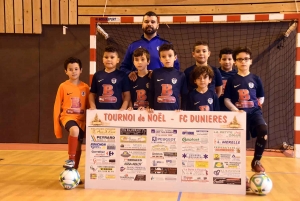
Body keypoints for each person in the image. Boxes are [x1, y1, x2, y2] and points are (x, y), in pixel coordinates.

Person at [223, 47, 267, 189]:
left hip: (254, 112)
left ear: (250, 61)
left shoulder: (256, 79)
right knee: (240, 146)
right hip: (239, 116)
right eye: (240, 59)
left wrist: (258, 105)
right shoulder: (232, 80)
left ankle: (256, 161)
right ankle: (243, 176)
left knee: (263, 131)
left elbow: (261, 96)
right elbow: (226, 99)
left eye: (246, 59)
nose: (243, 62)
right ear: (235, 62)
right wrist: (236, 110)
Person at [120, 11, 179, 81]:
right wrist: (129, 73)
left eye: (153, 22)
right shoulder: (133, 46)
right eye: (146, 21)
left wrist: (159, 74)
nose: (149, 24)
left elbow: (175, 68)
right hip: (137, 86)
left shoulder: (167, 45)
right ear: (142, 24)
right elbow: (123, 68)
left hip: (160, 86)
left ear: (158, 25)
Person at [53, 57, 89, 170]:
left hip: (81, 120)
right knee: (74, 130)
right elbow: (57, 106)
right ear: (66, 71)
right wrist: (57, 129)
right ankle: (70, 161)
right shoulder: (63, 86)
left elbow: (89, 106)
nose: (73, 71)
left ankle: (74, 172)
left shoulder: (86, 87)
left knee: (78, 146)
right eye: (70, 69)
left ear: (81, 70)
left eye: (76, 69)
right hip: (68, 117)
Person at [89, 46, 130, 110]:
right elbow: (92, 94)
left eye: (112, 57)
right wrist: (93, 106)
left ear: (118, 60)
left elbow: (127, 95)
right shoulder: (97, 75)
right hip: (100, 112)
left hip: (117, 113)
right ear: (102, 59)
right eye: (106, 57)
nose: (109, 59)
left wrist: (123, 108)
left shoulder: (122, 75)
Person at [149, 43, 188, 110]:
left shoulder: (181, 75)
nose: (167, 58)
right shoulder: (155, 73)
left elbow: (184, 95)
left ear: (175, 57)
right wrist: (151, 107)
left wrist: (182, 109)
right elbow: (151, 92)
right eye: (163, 56)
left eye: (170, 55)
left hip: (174, 112)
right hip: (157, 111)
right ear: (160, 59)